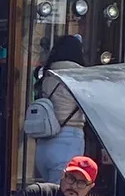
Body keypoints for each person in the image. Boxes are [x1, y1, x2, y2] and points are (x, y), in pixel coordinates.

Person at [33, 35, 87, 183]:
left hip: (44, 143)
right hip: (68, 140)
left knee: (49, 194)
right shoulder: (80, 77)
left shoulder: (46, 75)